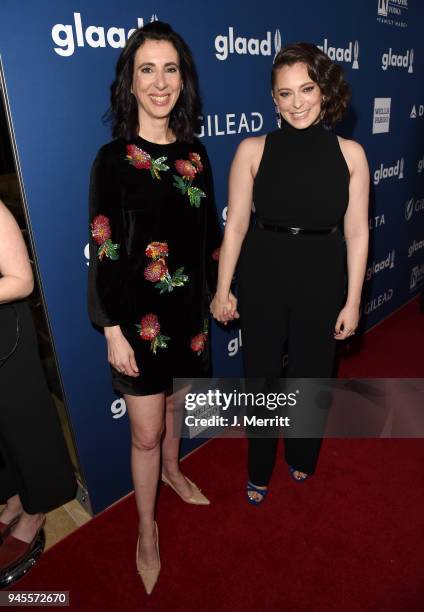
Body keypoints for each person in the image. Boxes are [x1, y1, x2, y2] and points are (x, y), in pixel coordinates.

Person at [87, 22, 222, 594]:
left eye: (170, 69)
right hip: (138, 324)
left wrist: (224, 289)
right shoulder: (112, 159)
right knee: (145, 432)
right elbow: (103, 247)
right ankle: (146, 528)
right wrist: (113, 330)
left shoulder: (196, 154)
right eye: (148, 69)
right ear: (131, 81)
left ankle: (173, 469)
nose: (160, 82)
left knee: (177, 414)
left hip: (189, 316)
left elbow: (208, 235)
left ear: (182, 80)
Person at [210, 43, 369, 503]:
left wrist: (353, 299)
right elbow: (236, 224)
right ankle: (259, 466)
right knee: (260, 376)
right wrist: (224, 289)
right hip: (263, 272)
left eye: (307, 88)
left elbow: (357, 234)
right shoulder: (252, 149)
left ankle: (301, 455)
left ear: (324, 90)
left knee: (311, 374)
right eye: (285, 93)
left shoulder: (352, 155)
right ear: (272, 99)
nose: (297, 102)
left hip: (322, 273)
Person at [0, 200, 76, 580]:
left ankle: (37, 509)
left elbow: (22, 280)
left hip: (6, 340)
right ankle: (14, 499)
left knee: (25, 426)